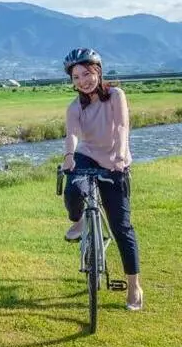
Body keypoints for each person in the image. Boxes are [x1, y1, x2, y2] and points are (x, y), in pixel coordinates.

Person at [61, 48, 144, 311]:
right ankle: (78, 221)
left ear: (97, 71)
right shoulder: (74, 107)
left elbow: (121, 126)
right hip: (87, 156)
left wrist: (120, 156)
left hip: (115, 162)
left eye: (86, 73)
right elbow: (73, 134)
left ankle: (134, 286)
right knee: (73, 189)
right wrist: (69, 155)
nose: (83, 81)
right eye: (76, 77)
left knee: (121, 227)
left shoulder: (116, 96)